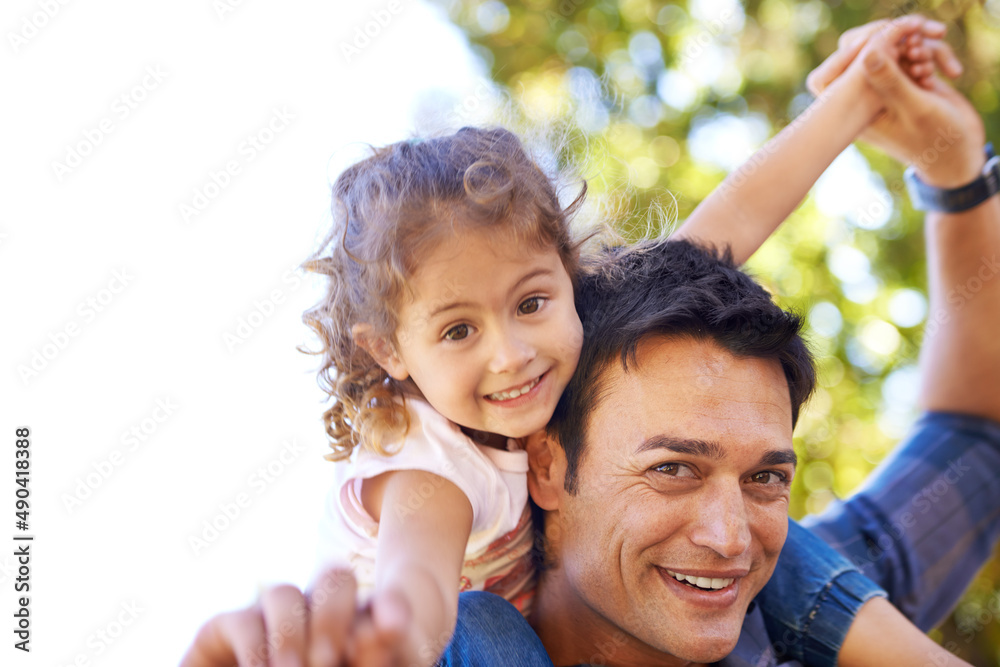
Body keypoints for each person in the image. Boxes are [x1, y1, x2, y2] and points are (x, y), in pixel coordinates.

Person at [179, 15, 990, 667]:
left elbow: (734, 224)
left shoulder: (579, 343)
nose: (511, 354)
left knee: (791, 553)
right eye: (672, 467)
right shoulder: (431, 468)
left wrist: (882, 114)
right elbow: (415, 601)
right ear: (548, 468)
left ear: (563, 277)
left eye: (768, 475)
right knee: (484, 621)